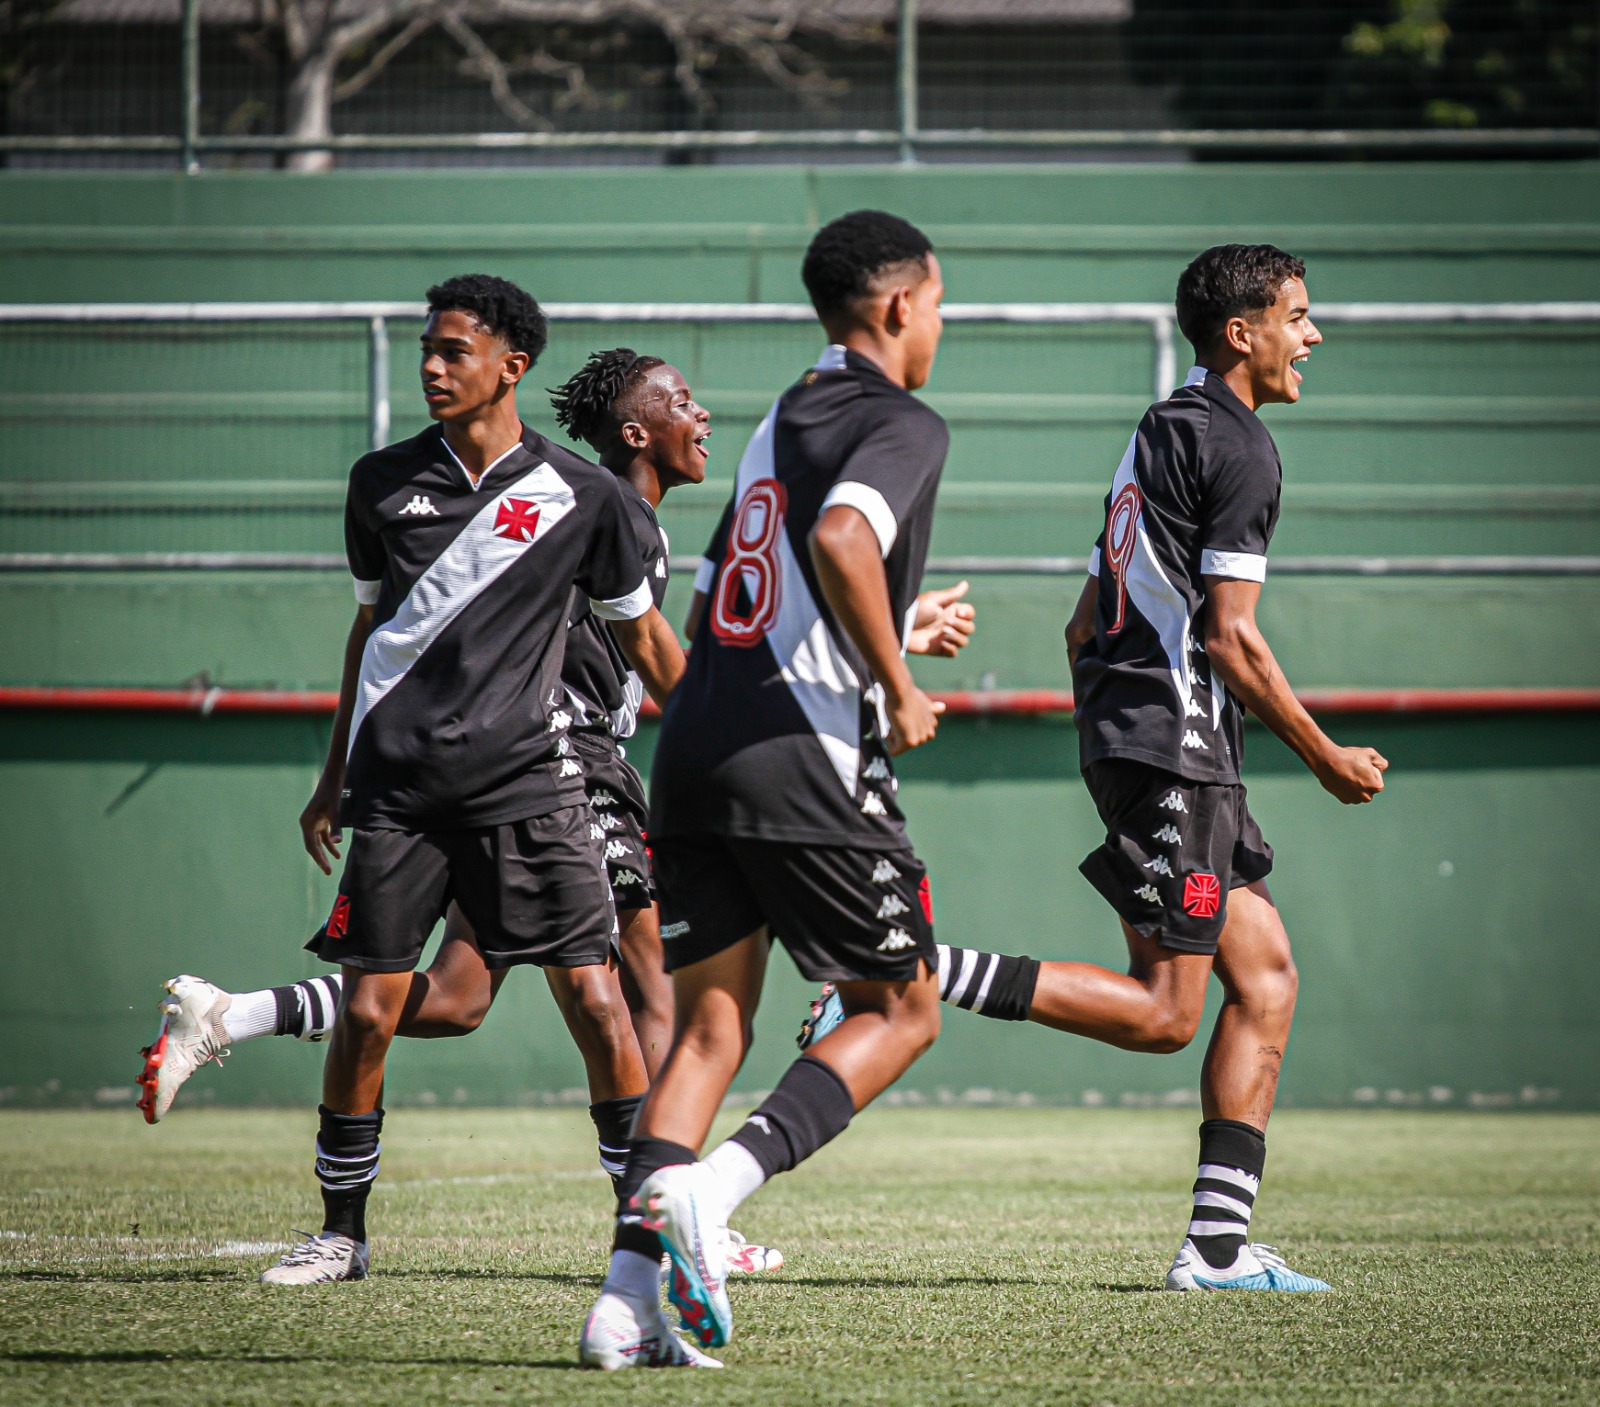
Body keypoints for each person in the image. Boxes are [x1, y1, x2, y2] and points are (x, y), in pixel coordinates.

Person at [804, 243, 1388, 1293]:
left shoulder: (1165, 425)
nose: (1312, 335)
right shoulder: (1241, 449)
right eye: (1296, 316)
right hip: (1177, 749)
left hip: (1144, 736)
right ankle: (906, 972)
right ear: (1239, 332)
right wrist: (1327, 757)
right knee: (1168, 1012)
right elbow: (1232, 641)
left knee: (1264, 979)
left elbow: (1085, 619)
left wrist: (1120, 725)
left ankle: (1215, 1248)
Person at [219, 273, 686, 1296]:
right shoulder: (380, 482)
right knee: (372, 1012)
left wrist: (711, 751)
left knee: (600, 1008)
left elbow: (646, 638)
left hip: (533, 784)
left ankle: (643, 1236)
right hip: (399, 792)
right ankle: (341, 1232)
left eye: (453, 352)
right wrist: (332, 771)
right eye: (427, 350)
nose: (432, 367)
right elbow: (370, 629)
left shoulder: (585, 496)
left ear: (511, 366)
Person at [578, 209, 959, 1371]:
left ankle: (617, 1308)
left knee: (706, 1031)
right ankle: (718, 1191)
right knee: (900, 1010)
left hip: (694, 746)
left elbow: (750, 592)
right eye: (937, 304)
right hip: (804, 754)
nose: (937, 327)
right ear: (898, 306)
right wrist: (894, 683)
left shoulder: (778, 416)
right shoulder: (898, 417)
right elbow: (845, 541)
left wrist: (887, 631)